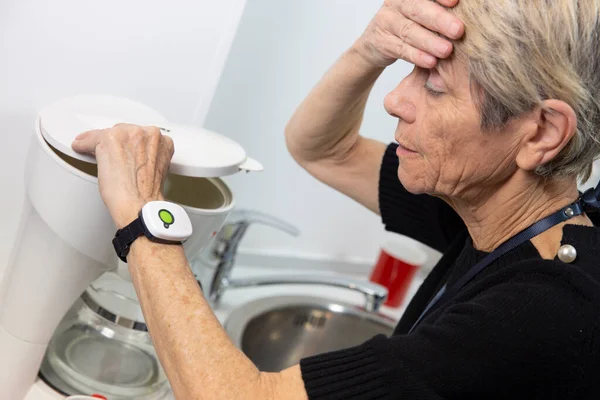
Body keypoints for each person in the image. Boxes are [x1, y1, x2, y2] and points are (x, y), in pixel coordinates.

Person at [71, 0, 600, 398]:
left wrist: (145, 217)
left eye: (434, 87)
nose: (395, 100)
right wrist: (370, 48)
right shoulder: (491, 214)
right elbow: (325, 149)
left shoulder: (542, 315)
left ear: (540, 133)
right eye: (407, 71)